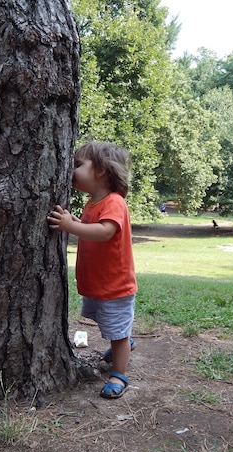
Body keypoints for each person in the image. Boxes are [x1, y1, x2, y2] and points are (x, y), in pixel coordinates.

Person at [47, 141, 137, 399]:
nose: (71, 169)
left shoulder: (114, 202)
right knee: (106, 323)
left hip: (115, 287)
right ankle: (124, 344)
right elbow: (91, 227)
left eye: (78, 165)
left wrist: (69, 226)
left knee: (117, 333)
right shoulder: (92, 203)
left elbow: (105, 232)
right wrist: (75, 221)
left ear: (99, 170)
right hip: (98, 284)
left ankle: (119, 374)